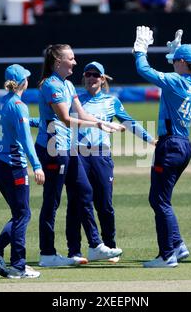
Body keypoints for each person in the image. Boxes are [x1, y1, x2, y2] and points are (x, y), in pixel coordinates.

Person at [35, 44, 124, 267]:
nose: (75, 62)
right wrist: (97, 124)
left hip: (67, 148)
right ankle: (47, 254)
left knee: (85, 191)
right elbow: (66, 118)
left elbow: (81, 112)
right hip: (53, 148)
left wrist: (101, 123)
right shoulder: (51, 85)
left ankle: (95, 246)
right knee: (52, 202)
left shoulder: (66, 84)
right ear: (58, 61)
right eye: (71, 58)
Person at [133, 26, 191, 268]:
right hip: (184, 144)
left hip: (170, 144)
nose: (172, 63)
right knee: (163, 199)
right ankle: (177, 245)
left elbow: (144, 70)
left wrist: (140, 49)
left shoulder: (175, 81)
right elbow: (184, 69)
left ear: (183, 62)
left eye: (175, 61)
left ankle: (167, 255)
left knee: (158, 200)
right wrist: (177, 54)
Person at [70, 61, 157, 262]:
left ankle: (109, 245)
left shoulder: (111, 101)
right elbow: (58, 118)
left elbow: (129, 122)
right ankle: (74, 250)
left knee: (105, 204)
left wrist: (151, 140)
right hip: (78, 156)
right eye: (88, 74)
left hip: (101, 156)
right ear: (84, 77)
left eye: (96, 75)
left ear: (102, 79)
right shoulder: (74, 99)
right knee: (78, 203)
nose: (92, 78)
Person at [0, 64, 45, 279]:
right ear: (23, 82)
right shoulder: (18, 105)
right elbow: (25, 140)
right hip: (13, 166)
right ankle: (17, 265)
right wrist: (36, 166)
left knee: (19, 214)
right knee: (23, 214)